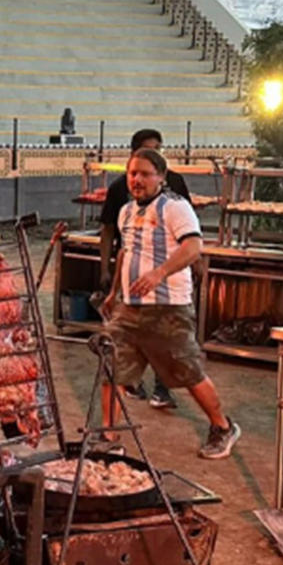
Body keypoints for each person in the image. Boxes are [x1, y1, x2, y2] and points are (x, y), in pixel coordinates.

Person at [101, 148, 241, 460]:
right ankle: (108, 436)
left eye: (145, 173)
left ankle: (222, 427)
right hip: (129, 308)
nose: (137, 179)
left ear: (161, 177)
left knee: (186, 372)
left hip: (168, 308)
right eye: (132, 173)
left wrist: (159, 273)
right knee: (111, 368)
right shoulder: (126, 211)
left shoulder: (175, 208)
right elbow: (126, 252)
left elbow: (193, 248)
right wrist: (114, 292)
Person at [99, 128, 192, 409]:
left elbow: (191, 238)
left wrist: (166, 271)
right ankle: (110, 430)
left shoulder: (175, 192)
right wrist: (110, 277)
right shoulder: (121, 194)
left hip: (167, 294)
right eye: (150, 149)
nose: (138, 179)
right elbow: (113, 236)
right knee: (115, 359)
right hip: (132, 292)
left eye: (159, 150)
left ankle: (167, 393)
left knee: (177, 359)